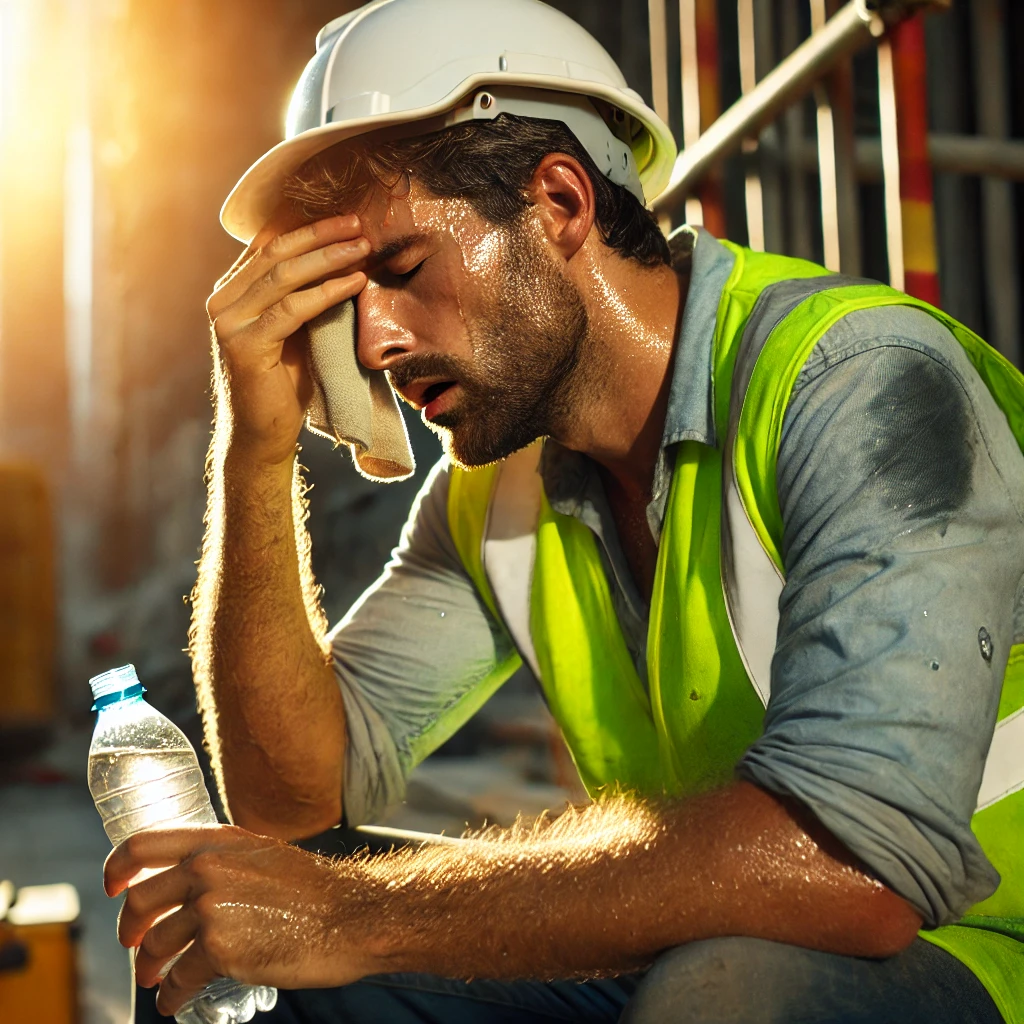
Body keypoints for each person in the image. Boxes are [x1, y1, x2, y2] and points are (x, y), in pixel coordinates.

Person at [106, 2, 1024, 1021]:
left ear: (558, 200)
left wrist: (354, 915)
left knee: (727, 992)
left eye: (403, 271)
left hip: (973, 952)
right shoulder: (493, 494)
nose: (371, 345)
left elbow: (850, 867)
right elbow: (292, 804)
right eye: (341, 305)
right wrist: (254, 452)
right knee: (235, 948)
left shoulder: (855, 381)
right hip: (712, 935)